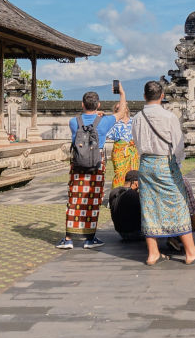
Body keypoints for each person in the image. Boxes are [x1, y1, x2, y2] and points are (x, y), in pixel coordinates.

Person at [132, 80, 195, 266]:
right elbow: (178, 145)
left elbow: (136, 142)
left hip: (145, 164)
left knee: (149, 206)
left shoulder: (137, 118)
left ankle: (153, 253)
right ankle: (191, 251)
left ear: (144, 96)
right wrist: (177, 163)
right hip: (165, 163)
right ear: (162, 96)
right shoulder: (169, 117)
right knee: (179, 203)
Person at [56, 88, 126, 250]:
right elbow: (121, 112)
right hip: (97, 164)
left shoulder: (74, 122)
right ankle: (90, 238)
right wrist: (121, 93)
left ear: (82, 104)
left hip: (78, 164)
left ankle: (68, 238)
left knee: (74, 199)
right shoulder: (104, 121)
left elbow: (86, 120)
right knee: (93, 200)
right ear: (98, 104)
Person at [108, 96, 138, 188]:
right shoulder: (112, 122)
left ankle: (133, 196)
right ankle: (117, 195)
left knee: (133, 174)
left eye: (122, 107)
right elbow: (106, 134)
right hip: (119, 151)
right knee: (119, 174)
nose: (119, 109)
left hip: (132, 151)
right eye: (117, 108)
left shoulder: (134, 121)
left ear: (126, 109)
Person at [109, 169, 142, 240]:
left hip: (121, 232)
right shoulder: (133, 195)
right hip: (135, 233)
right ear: (135, 183)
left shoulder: (114, 192)